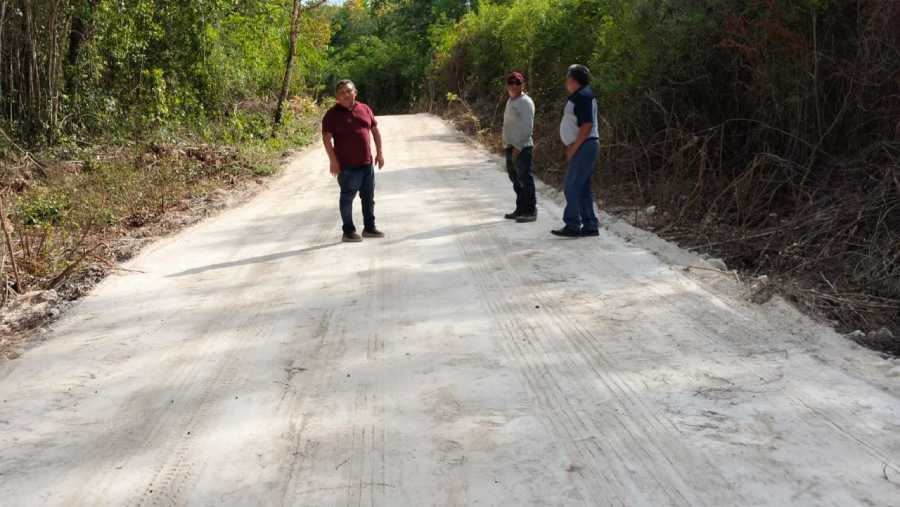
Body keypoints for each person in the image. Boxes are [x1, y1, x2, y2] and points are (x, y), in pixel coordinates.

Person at [322, 79, 385, 243]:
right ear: (337, 97)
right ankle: (348, 231)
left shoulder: (365, 109)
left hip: (366, 164)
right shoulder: (331, 115)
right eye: (342, 93)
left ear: (355, 92)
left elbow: (375, 131)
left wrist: (380, 153)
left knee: (368, 197)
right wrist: (333, 161)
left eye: (349, 91)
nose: (346, 95)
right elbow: (326, 139)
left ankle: (369, 228)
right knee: (347, 197)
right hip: (347, 166)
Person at [552, 64, 600, 238]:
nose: (566, 81)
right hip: (585, 145)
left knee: (571, 186)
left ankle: (572, 224)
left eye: (568, 78)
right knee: (582, 188)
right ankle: (590, 225)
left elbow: (586, 125)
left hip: (584, 145)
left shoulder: (582, 96)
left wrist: (573, 147)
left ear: (573, 79)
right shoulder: (582, 95)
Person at [501, 71, 537, 222]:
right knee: (515, 179)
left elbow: (527, 127)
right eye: (511, 83)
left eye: (518, 83)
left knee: (525, 178)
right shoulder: (511, 101)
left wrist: (518, 146)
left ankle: (530, 211)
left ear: (523, 85)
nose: (514, 86)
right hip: (510, 146)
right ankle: (520, 208)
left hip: (522, 147)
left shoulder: (525, 102)